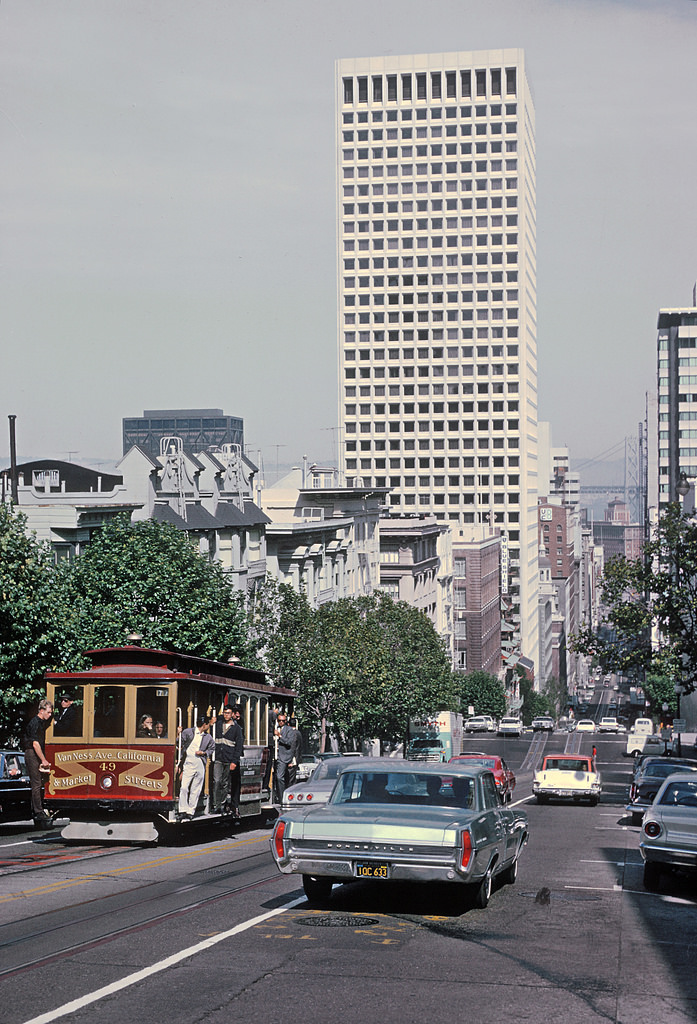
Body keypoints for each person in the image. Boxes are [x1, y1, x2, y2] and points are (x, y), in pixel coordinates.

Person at [22, 699, 54, 828]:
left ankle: (41, 807)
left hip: (37, 753)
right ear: (41, 710)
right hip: (32, 753)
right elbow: (35, 744)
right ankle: (38, 811)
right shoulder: (34, 723)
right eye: (48, 712)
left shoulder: (43, 722)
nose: (50, 715)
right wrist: (43, 760)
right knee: (36, 783)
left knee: (42, 782)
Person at [177, 716, 215, 821]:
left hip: (200, 763)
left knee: (196, 788)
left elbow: (212, 748)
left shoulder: (208, 737)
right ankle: (182, 810)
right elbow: (178, 742)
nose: (209, 726)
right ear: (204, 725)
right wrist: (178, 733)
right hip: (189, 762)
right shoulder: (188, 732)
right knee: (184, 787)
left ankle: (190, 811)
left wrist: (204, 753)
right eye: (208, 724)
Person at [211, 705, 244, 820]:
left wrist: (234, 761)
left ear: (232, 714)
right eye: (225, 713)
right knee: (217, 781)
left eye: (228, 713)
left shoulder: (237, 728)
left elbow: (239, 746)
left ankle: (222, 804)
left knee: (225, 783)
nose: (226, 715)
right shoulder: (218, 725)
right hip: (218, 758)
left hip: (229, 759)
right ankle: (216, 805)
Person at [274, 713, 295, 803]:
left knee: (280, 777)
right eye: (279, 720)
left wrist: (279, 736)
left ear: (286, 721)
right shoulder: (274, 728)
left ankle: (282, 797)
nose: (281, 722)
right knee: (276, 778)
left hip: (283, 757)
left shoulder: (289, 730)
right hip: (274, 756)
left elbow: (289, 742)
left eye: (283, 721)